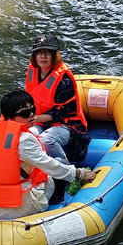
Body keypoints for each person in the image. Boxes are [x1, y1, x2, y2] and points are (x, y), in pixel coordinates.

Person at [0, 90, 96, 220]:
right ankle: (55, 203)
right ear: (10, 116)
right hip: (17, 209)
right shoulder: (24, 140)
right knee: (54, 169)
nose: (32, 114)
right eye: (26, 113)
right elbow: (51, 166)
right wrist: (80, 173)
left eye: (33, 109)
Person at [25, 34, 90, 171]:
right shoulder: (33, 71)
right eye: (39, 53)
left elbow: (59, 114)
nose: (43, 57)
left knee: (45, 140)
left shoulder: (63, 80)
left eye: (47, 53)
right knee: (26, 135)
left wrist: (31, 118)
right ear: (35, 56)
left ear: (54, 55)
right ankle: (31, 170)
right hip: (41, 121)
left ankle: (69, 171)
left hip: (67, 125)